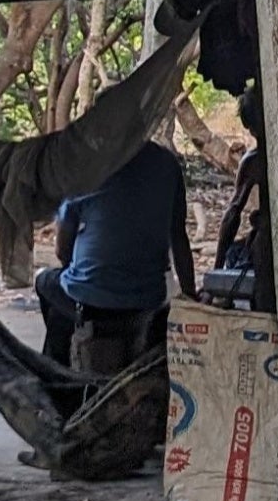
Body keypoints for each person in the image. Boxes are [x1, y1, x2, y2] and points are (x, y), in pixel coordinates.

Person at [35, 138, 186, 378]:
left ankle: (56, 373)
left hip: (96, 302)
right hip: (150, 297)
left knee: (46, 283)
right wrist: (190, 295)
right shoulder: (167, 163)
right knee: (65, 294)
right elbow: (179, 237)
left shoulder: (85, 168)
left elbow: (62, 251)